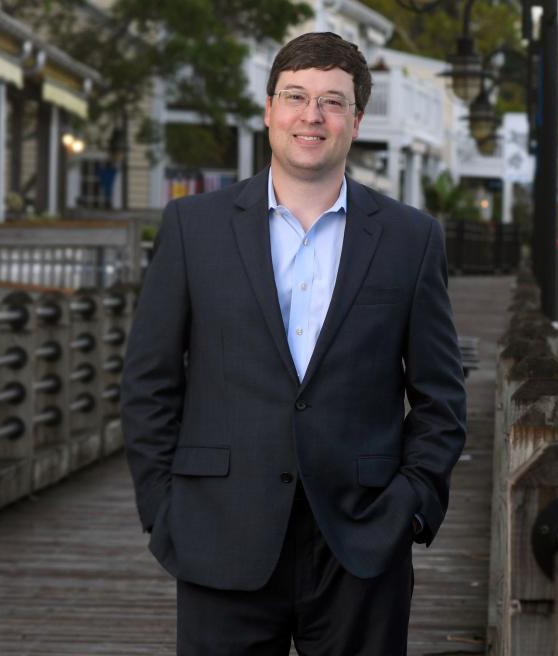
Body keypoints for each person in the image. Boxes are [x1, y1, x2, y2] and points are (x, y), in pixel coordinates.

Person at [121, 32, 466, 655]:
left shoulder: (413, 239)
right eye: (296, 97)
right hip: (218, 533)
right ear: (269, 110)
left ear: (356, 121)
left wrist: (411, 506)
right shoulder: (191, 229)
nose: (312, 116)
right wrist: (163, 511)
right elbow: (149, 382)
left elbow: (441, 397)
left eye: (332, 102)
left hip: (361, 542)